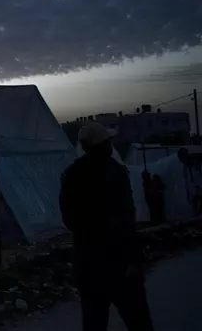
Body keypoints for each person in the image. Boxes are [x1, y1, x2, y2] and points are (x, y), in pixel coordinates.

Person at [59, 122, 155, 331]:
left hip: (89, 264)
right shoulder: (116, 173)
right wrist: (135, 259)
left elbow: (70, 221)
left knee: (94, 323)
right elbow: (128, 220)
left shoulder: (71, 175)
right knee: (139, 321)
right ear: (103, 146)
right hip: (120, 261)